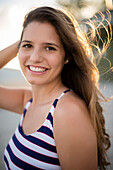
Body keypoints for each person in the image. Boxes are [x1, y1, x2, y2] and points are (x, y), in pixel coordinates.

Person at [0, 6, 111, 170]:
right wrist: (23, 40)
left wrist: (29, 40)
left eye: (49, 47)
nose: (35, 57)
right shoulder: (29, 102)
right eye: (28, 46)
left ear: (66, 56)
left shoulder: (67, 111)